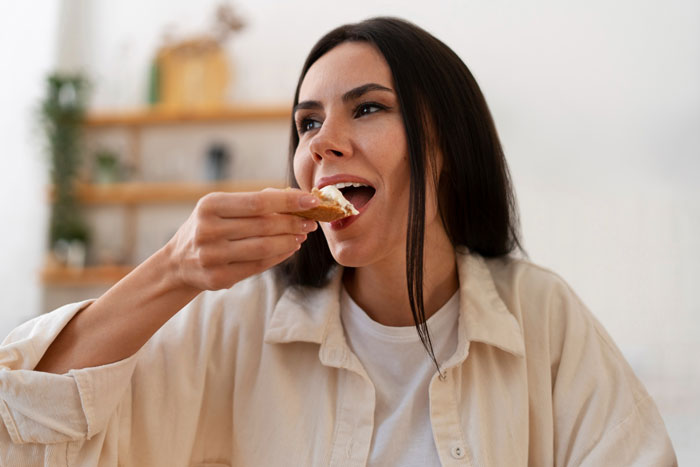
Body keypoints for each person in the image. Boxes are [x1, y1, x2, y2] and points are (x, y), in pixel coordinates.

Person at [0, 17, 676, 467]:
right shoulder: (242, 315)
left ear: (445, 141)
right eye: (307, 122)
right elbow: (30, 433)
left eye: (369, 107)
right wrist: (174, 270)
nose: (320, 142)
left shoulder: (541, 316)